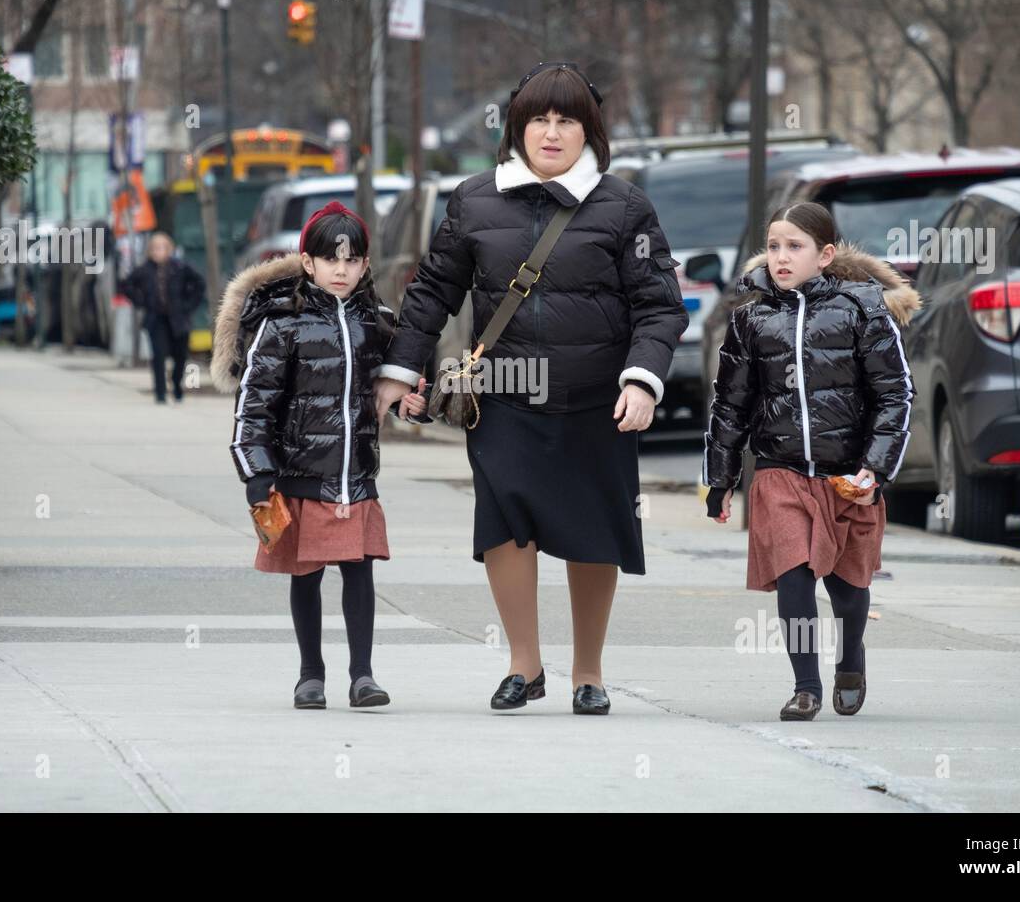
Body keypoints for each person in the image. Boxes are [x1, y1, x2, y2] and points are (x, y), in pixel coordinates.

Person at [373, 62, 689, 715]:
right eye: (537, 119)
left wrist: (644, 379)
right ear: (517, 127)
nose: (551, 132)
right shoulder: (475, 199)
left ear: (588, 130)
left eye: (565, 120)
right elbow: (432, 292)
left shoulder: (624, 206)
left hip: (597, 398)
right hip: (505, 394)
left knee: (593, 529)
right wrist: (400, 370)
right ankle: (525, 665)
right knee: (504, 524)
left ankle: (588, 673)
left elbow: (660, 306)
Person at [702, 201, 922, 721]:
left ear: (824, 255)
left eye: (794, 247)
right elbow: (730, 403)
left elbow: (896, 396)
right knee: (794, 573)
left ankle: (851, 656)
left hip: (848, 474)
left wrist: (877, 466)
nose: (781, 257)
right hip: (780, 472)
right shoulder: (751, 319)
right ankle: (806, 686)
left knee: (848, 589)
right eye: (774, 246)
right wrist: (721, 478)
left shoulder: (862, 310)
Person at [212, 201, 429, 710]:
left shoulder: (378, 323)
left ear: (365, 265)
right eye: (330, 259)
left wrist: (415, 403)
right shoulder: (281, 324)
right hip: (298, 475)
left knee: (359, 572)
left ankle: (363, 676)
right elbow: (254, 403)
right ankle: (310, 675)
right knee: (305, 576)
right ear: (307, 262)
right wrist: (256, 471)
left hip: (355, 475)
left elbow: (402, 389)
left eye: (352, 260)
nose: (341, 269)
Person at [118, 232, 205, 403]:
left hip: (179, 318)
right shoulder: (144, 269)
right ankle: (160, 392)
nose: (159, 252)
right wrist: (141, 300)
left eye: (162, 248)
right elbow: (127, 284)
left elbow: (199, 284)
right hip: (156, 318)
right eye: (155, 248)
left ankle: (176, 382)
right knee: (158, 354)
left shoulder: (180, 267)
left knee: (180, 354)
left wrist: (188, 305)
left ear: (169, 249)